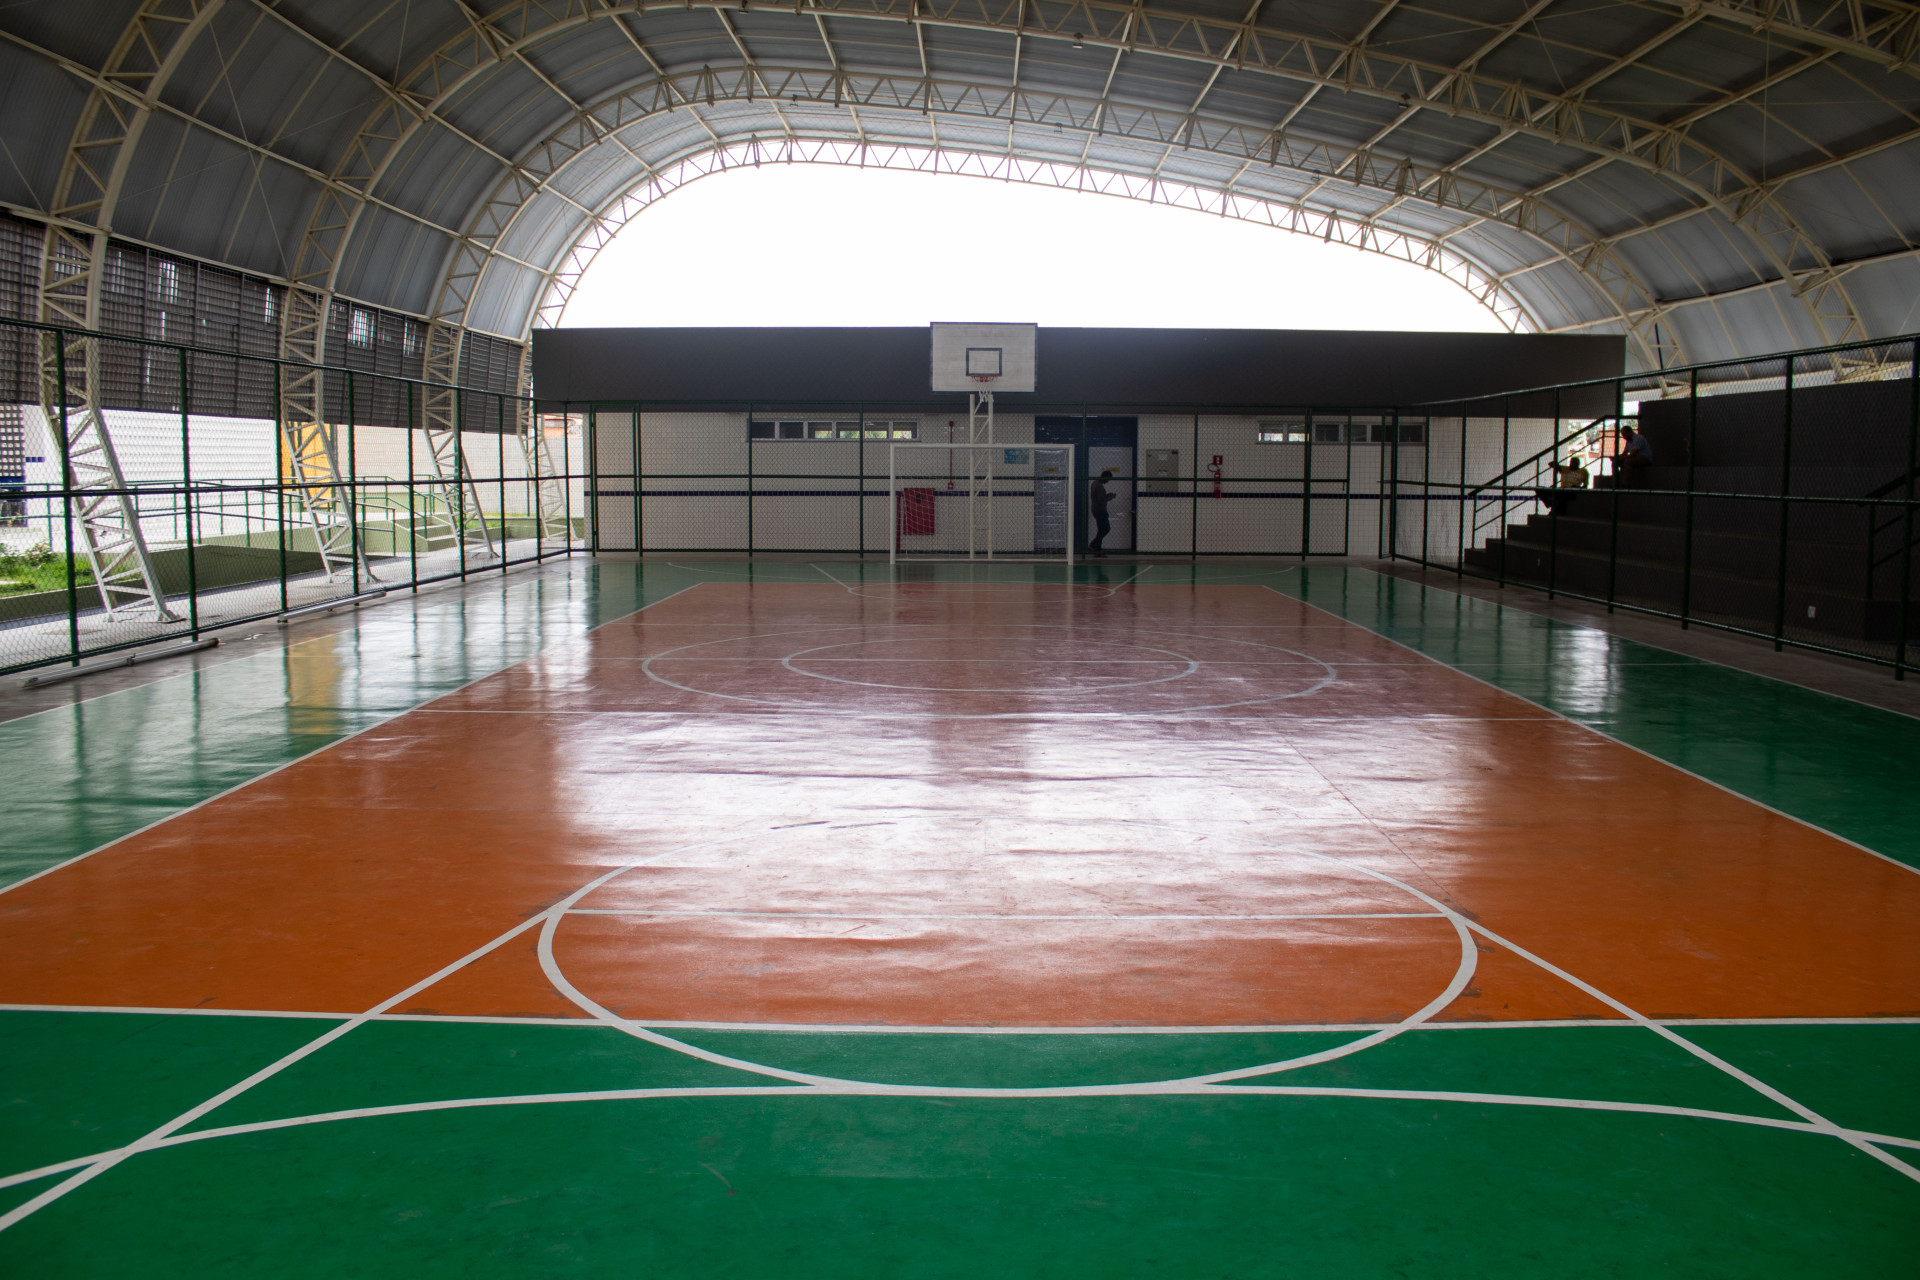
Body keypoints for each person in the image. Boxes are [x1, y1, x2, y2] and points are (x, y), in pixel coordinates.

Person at [1088, 469, 1115, 555]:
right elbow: (1101, 500)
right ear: (1105, 478)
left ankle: (1093, 545)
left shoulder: (1094, 483)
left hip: (1096, 509)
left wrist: (1107, 496)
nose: (1108, 481)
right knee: (1105, 529)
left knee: (1102, 529)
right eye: (1108, 479)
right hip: (1100, 510)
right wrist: (1110, 497)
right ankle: (1097, 548)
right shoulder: (1099, 486)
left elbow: (1099, 498)